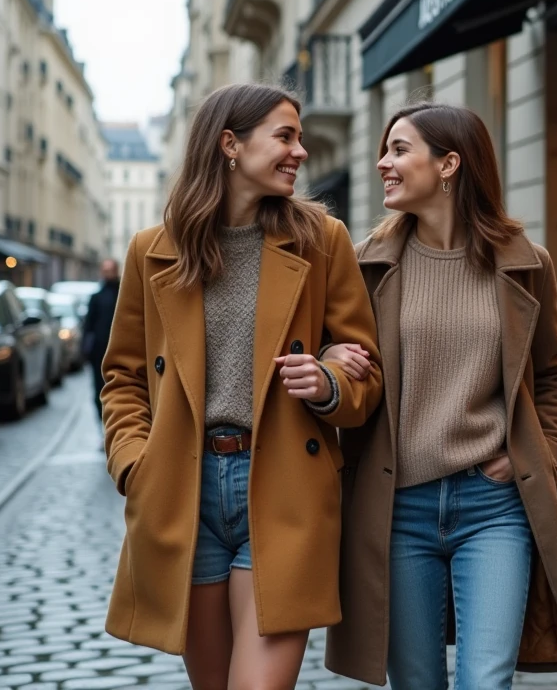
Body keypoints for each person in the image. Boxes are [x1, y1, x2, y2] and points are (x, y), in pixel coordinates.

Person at [320, 102, 557, 689]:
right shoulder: (366, 265)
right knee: (418, 680)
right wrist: (330, 366)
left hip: (494, 507)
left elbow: (553, 376)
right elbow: (350, 371)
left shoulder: (527, 265)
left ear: (449, 163)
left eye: (399, 150)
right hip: (398, 506)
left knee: (487, 679)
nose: (383, 163)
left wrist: (545, 458)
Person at [99, 83, 383, 689]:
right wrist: (134, 463)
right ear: (230, 144)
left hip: (283, 485)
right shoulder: (153, 252)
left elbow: (367, 371)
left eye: (300, 137)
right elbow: (122, 377)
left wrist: (329, 383)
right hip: (183, 489)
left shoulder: (320, 241)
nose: (300, 152)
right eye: (285, 136)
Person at [83, 258, 119, 424]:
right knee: (99, 390)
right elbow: (88, 325)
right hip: (99, 352)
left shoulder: (123, 294)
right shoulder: (96, 297)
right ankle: (103, 426)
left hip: (120, 351)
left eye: (109, 270)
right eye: (104, 271)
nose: (107, 274)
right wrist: (86, 350)